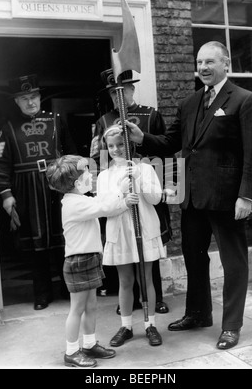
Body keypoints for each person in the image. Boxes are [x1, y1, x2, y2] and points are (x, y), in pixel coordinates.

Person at [125, 41, 252, 350]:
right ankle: (198, 314)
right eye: (200, 62)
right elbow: (170, 143)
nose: (203, 67)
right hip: (192, 198)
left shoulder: (245, 100)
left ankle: (231, 325)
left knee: (234, 263)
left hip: (228, 199)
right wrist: (142, 138)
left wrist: (247, 196)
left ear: (225, 64)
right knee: (194, 258)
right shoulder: (189, 103)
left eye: (210, 62)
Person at [91, 68, 173, 314]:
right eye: (113, 94)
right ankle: (129, 302)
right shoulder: (103, 121)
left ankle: (155, 298)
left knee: (149, 239)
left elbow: (166, 150)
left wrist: (170, 183)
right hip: (118, 184)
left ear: (132, 89)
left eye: (122, 91)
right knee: (125, 246)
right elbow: (98, 157)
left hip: (149, 181)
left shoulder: (151, 115)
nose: (118, 97)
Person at [0, 74, 77, 311]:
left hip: (56, 185)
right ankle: (42, 293)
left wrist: (74, 184)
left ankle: (67, 288)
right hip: (26, 189)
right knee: (35, 244)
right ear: (16, 102)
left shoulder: (56, 121)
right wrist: (6, 194)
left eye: (34, 97)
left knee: (63, 240)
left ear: (40, 97)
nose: (30, 102)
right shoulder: (8, 128)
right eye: (24, 98)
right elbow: (1, 164)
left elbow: (70, 153)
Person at [46, 154, 138, 367]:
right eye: (87, 172)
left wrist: (122, 201)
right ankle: (71, 351)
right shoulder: (73, 204)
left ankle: (88, 345)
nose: (91, 174)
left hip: (89, 258)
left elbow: (102, 203)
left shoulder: (80, 199)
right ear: (77, 182)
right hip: (78, 261)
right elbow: (104, 208)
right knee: (77, 308)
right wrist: (120, 191)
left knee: (91, 305)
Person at [97, 125, 164, 347]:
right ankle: (126, 326)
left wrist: (139, 178)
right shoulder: (104, 176)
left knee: (146, 279)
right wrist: (121, 191)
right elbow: (104, 208)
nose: (116, 150)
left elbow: (155, 199)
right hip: (121, 232)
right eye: (111, 146)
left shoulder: (144, 169)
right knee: (125, 280)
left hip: (143, 228)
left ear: (130, 144)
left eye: (120, 145)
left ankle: (150, 324)